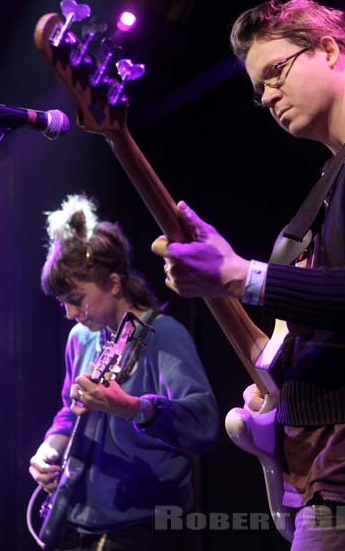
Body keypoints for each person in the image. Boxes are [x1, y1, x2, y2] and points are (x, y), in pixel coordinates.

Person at [151, 0, 345, 549]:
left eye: (274, 73)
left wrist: (238, 274)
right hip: (328, 467)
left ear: (328, 49)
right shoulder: (336, 174)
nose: (267, 96)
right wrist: (286, 385)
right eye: (258, 90)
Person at [29, 193, 219, 551]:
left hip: (146, 530)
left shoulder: (163, 335)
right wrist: (48, 448)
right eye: (63, 303)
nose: (71, 314)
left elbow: (203, 423)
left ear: (114, 284)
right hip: (80, 523)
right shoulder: (81, 339)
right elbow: (71, 412)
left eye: (77, 298)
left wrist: (134, 408)